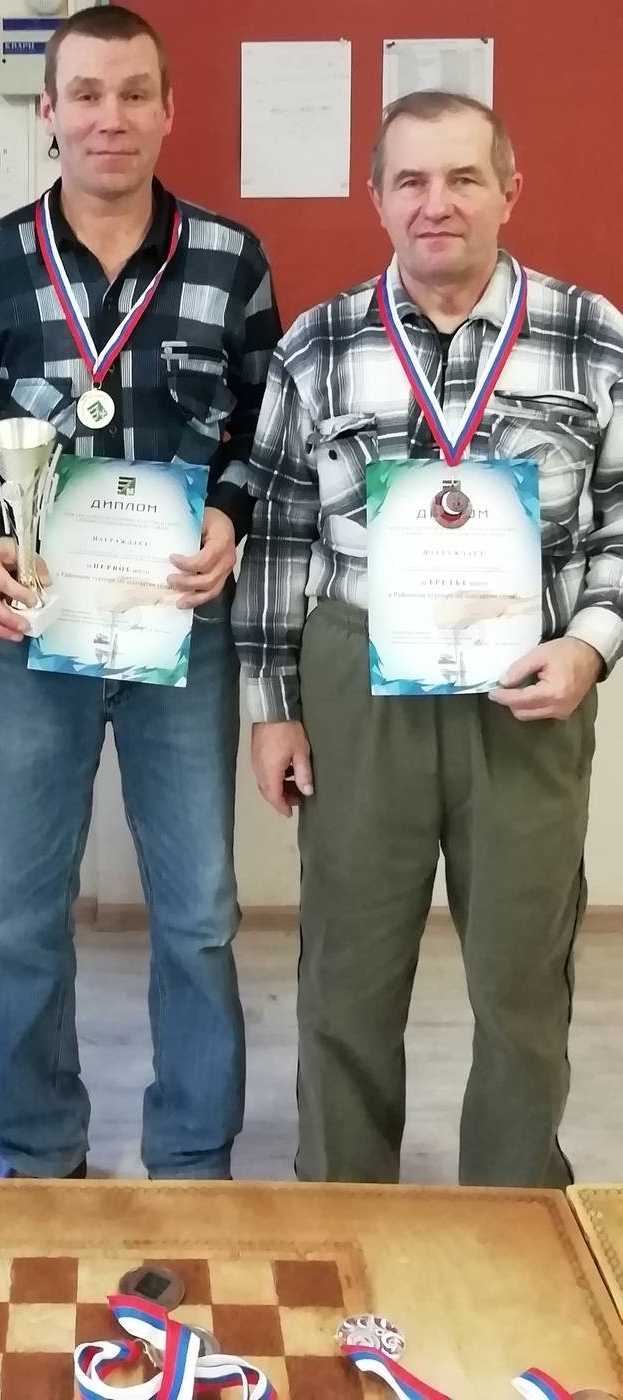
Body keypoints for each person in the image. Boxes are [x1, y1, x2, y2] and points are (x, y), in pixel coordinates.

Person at [234, 89, 623, 1187]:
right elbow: (280, 532)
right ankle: (345, 1205)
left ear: (510, 190)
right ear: (376, 198)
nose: (435, 203)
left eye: (463, 178)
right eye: (410, 180)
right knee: (347, 973)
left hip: (528, 687)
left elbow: (621, 516)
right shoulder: (319, 343)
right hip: (358, 681)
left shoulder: (592, 335)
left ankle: (513, 1213)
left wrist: (590, 646)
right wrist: (273, 711)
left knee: (521, 976)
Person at [0, 3, 280, 1180]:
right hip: (36, 634)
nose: (109, 117)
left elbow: (260, 430)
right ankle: (37, 1155)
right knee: (21, 918)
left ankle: (192, 1160)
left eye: (134, 94)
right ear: (49, 112)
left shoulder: (231, 260)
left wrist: (230, 516)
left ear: (170, 110)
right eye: (85, 94)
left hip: (183, 629)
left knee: (199, 917)